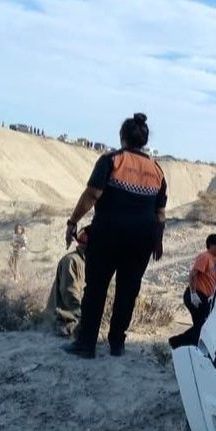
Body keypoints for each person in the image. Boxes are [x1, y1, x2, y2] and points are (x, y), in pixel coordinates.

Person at [63, 113, 167, 358]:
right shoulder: (157, 170)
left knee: (96, 288)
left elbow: (91, 195)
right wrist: (158, 240)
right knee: (128, 291)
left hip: (108, 235)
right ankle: (117, 344)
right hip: (142, 240)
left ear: (122, 137)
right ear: (143, 140)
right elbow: (160, 213)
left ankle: (86, 344)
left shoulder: (112, 160)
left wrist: (73, 221)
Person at [168, 233, 216, 349]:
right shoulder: (205, 256)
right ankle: (177, 342)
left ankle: (186, 344)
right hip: (196, 294)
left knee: (202, 324)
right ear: (211, 245)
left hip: (205, 297)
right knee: (202, 325)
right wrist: (193, 293)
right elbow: (192, 275)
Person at [44, 225, 90, 336]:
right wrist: (85, 315)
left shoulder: (88, 262)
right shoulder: (71, 261)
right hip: (63, 321)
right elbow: (69, 293)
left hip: (74, 317)